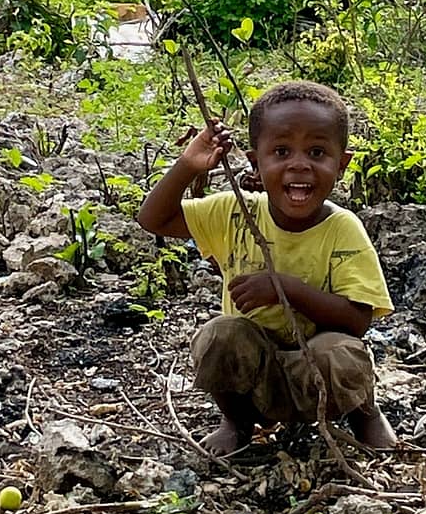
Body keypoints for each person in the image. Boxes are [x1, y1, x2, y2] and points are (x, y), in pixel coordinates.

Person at [138, 81, 397, 456]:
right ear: (255, 162)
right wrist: (188, 166)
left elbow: (357, 321)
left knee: (341, 352)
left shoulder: (343, 228)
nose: (299, 164)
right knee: (219, 335)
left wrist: (284, 288)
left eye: (317, 152)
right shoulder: (234, 213)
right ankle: (236, 422)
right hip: (254, 379)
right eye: (280, 151)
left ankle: (364, 414)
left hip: (319, 377)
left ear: (342, 165)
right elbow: (153, 219)